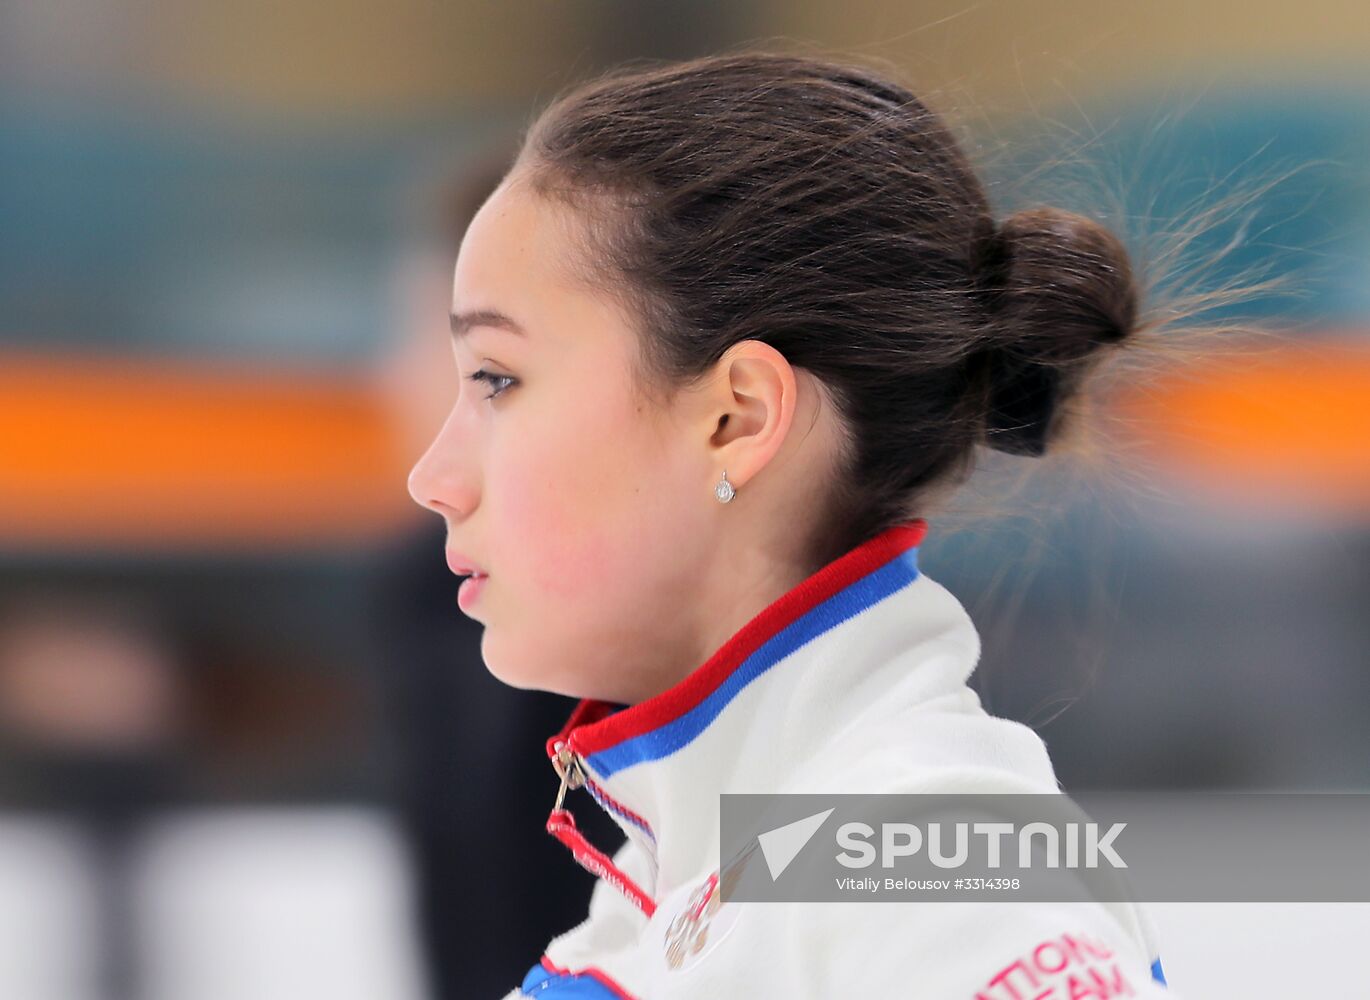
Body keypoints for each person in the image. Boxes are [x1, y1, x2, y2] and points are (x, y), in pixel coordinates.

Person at [406, 50, 1176, 998]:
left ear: (739, 418)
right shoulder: (691, 880)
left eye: (497, 380)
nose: (432, 478)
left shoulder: (931, 866)